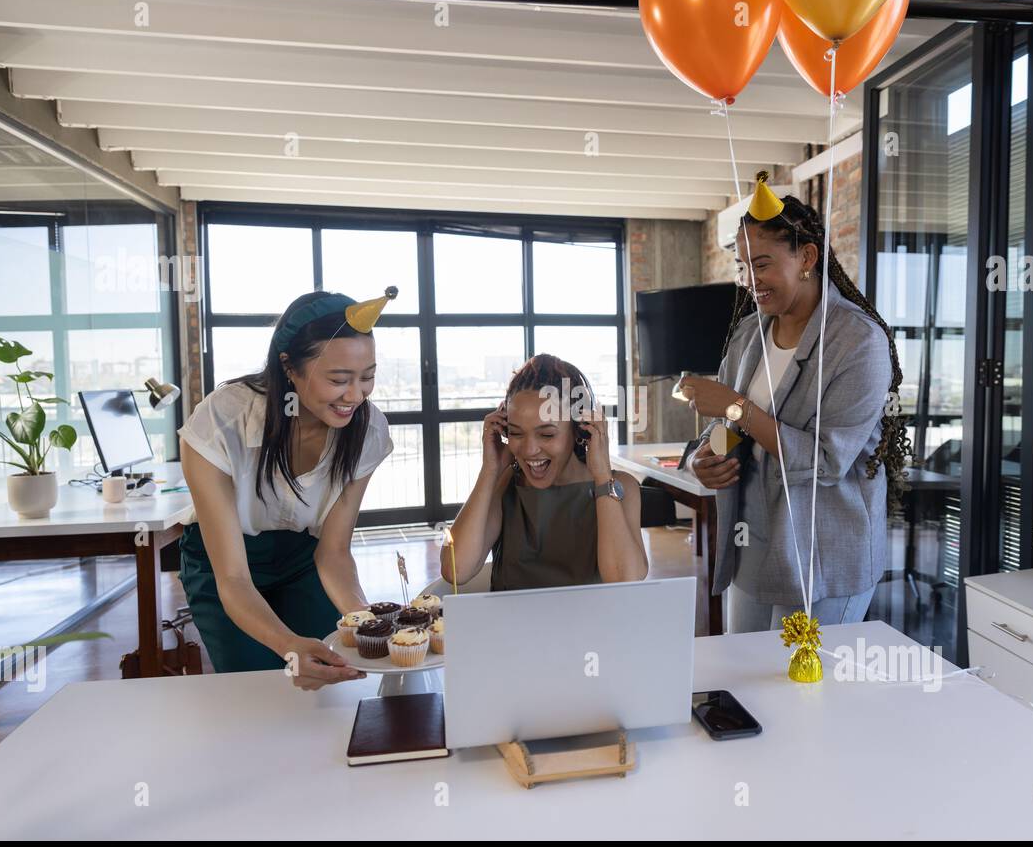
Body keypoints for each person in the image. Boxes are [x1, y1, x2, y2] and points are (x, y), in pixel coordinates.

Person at [680, 194, 911, 631]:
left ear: (807, 256)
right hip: (754, 546)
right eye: (742, 265)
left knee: (804, 694)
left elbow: (826, 460)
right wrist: (702, 458)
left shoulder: (858, 342)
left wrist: (736, 407)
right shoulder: (750, 334)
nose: (750, 279)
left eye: (762, 264)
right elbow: (724, 426)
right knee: (744, 687)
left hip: (822, 557)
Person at [178, 290, 395, 689]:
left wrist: (367, 621)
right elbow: (234, 580)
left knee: (329, 674)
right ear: (289, 367)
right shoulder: (222, 422)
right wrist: (287, 644)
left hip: (303, 557)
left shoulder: (369, 430)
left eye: (367, 378)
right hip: (224, 562)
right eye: (338, 379)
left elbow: (333, 554)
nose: (355, 396)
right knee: (258, 686)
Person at [445, 354, 648, 591]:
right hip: (512, 626)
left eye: (547, 434)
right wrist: (490, 470)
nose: (530, 450)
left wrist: (602, 476)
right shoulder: (504, 485)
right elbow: (455, 570)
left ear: (579, 430)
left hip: (592, 627)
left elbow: (625, 580)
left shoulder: (620, 487)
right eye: (516, 433)